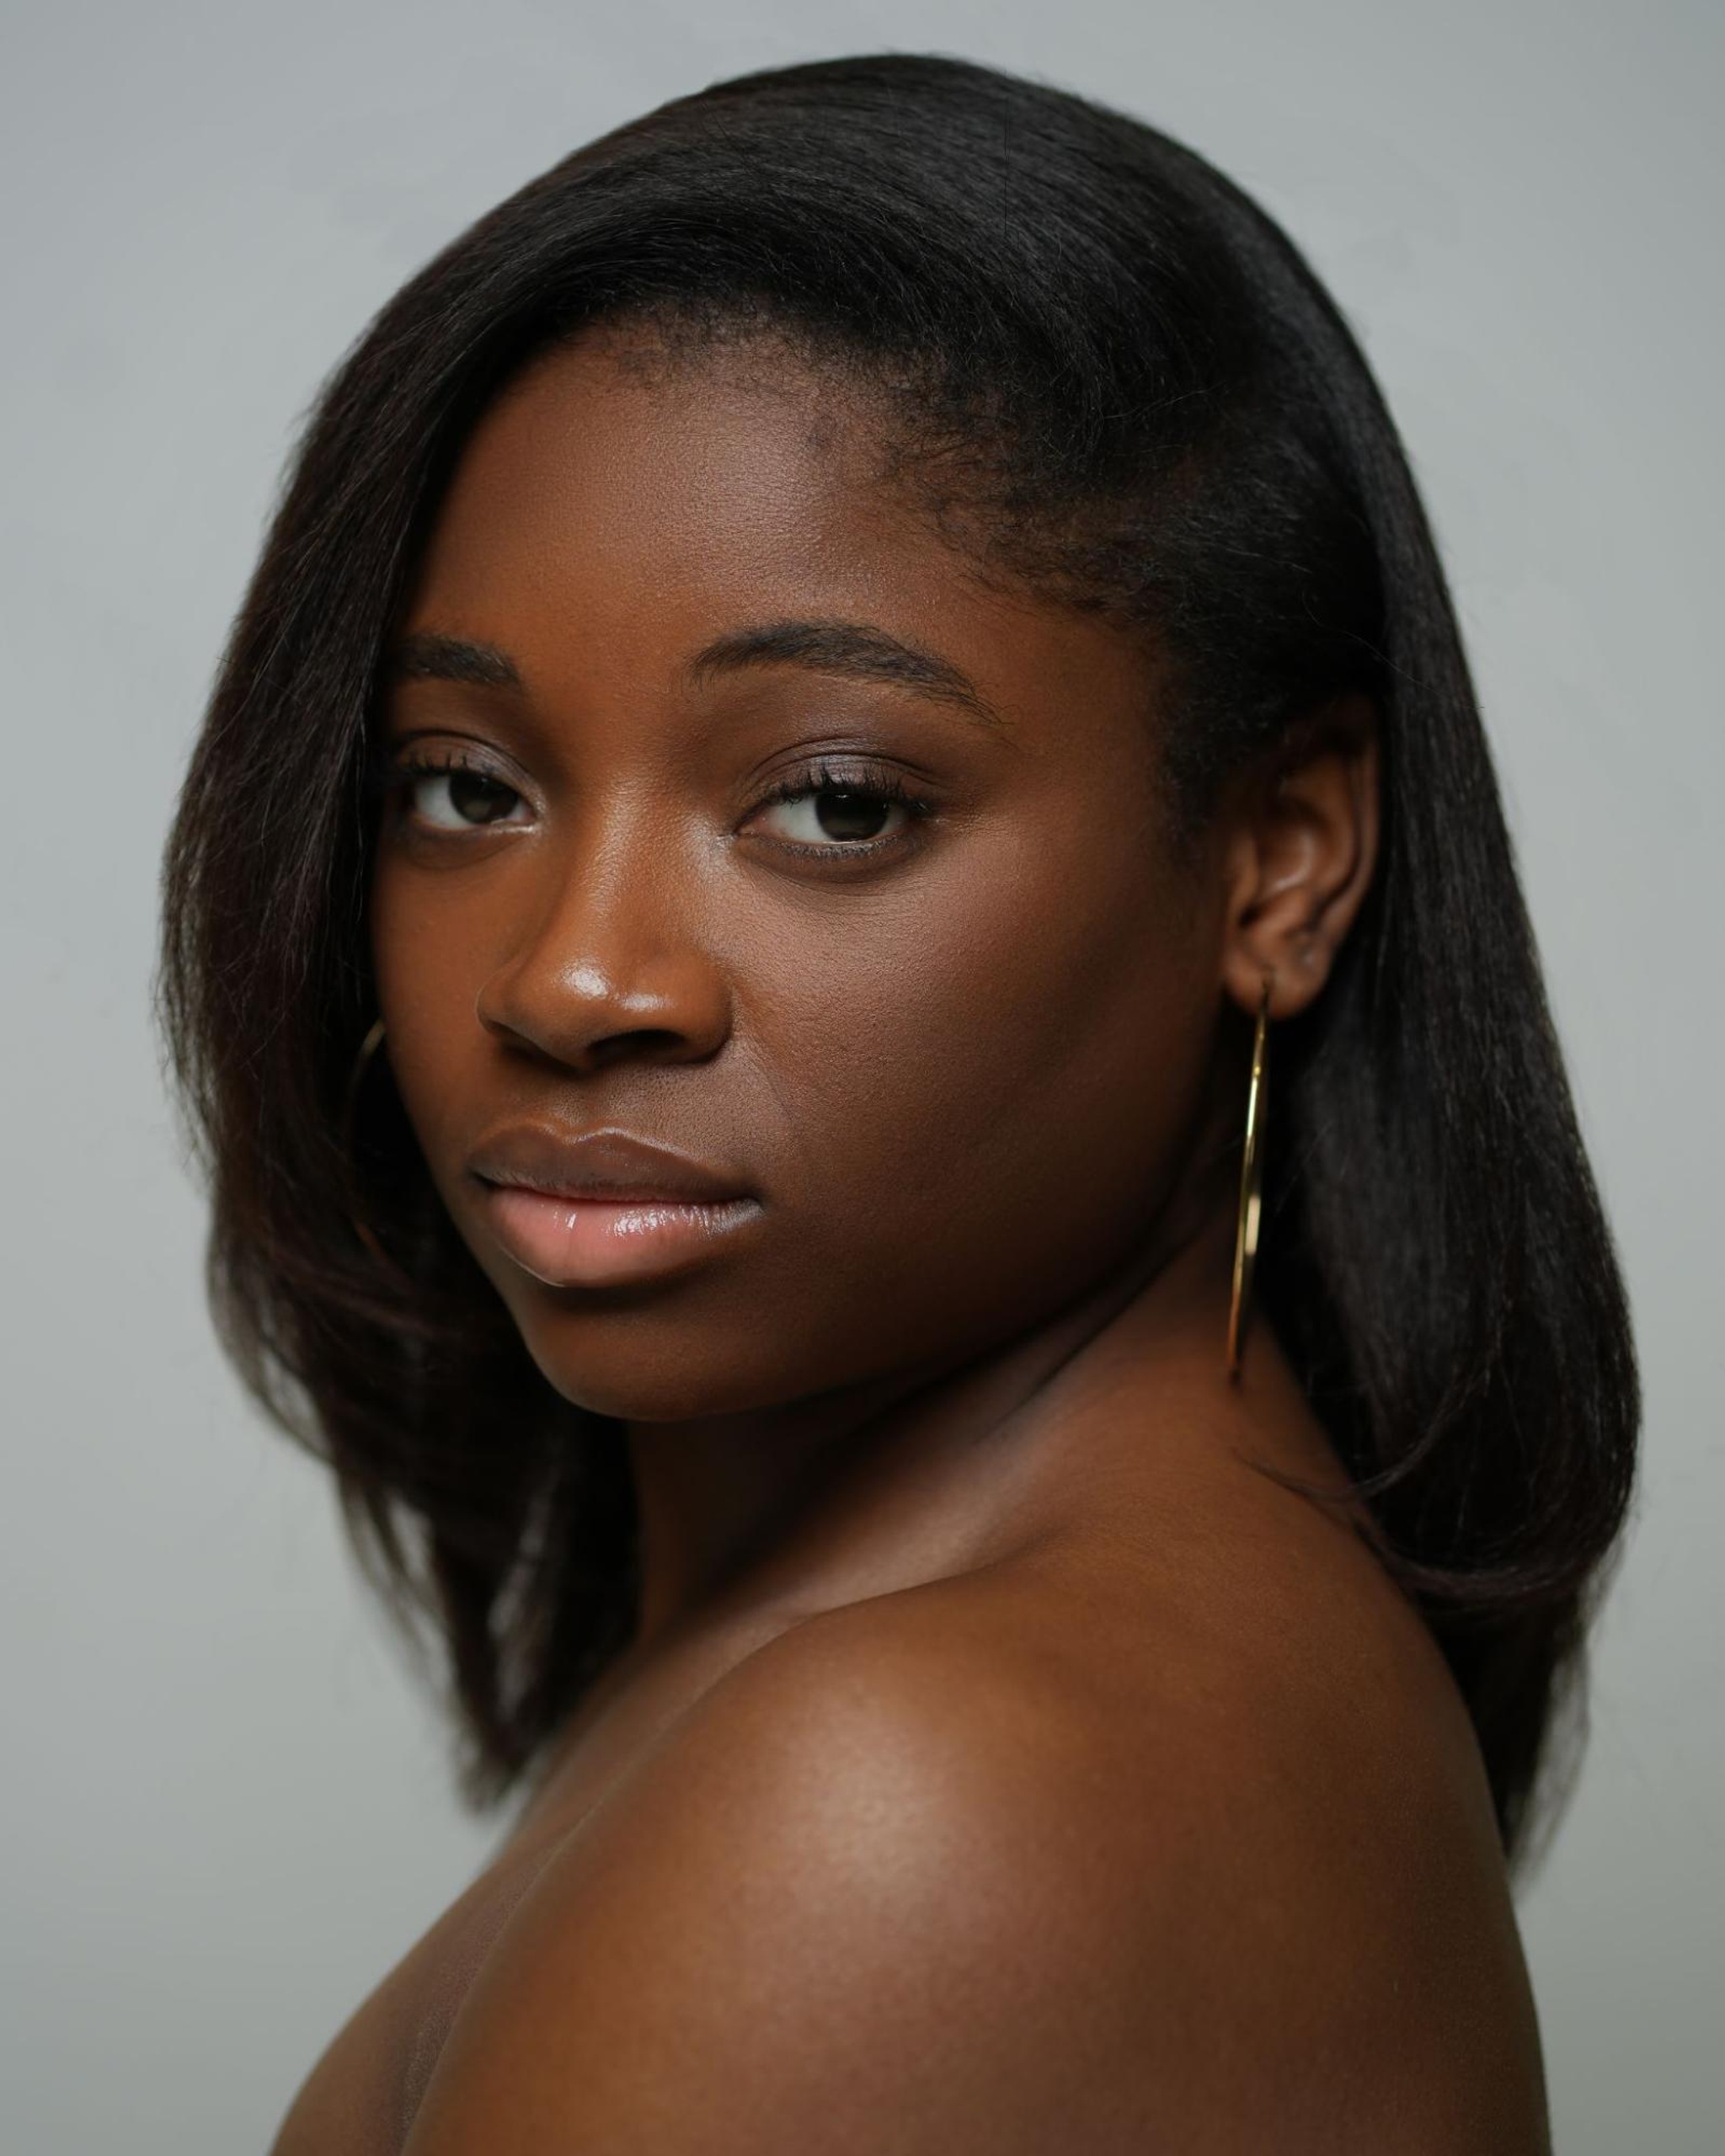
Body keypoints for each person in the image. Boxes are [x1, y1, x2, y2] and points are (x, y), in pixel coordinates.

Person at [157, 51, 1638, 2155]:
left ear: (1280, 860)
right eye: (462, 785)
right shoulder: (1079, 1640)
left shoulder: (910, 1793)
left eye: (834, 802)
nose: (575, 976)